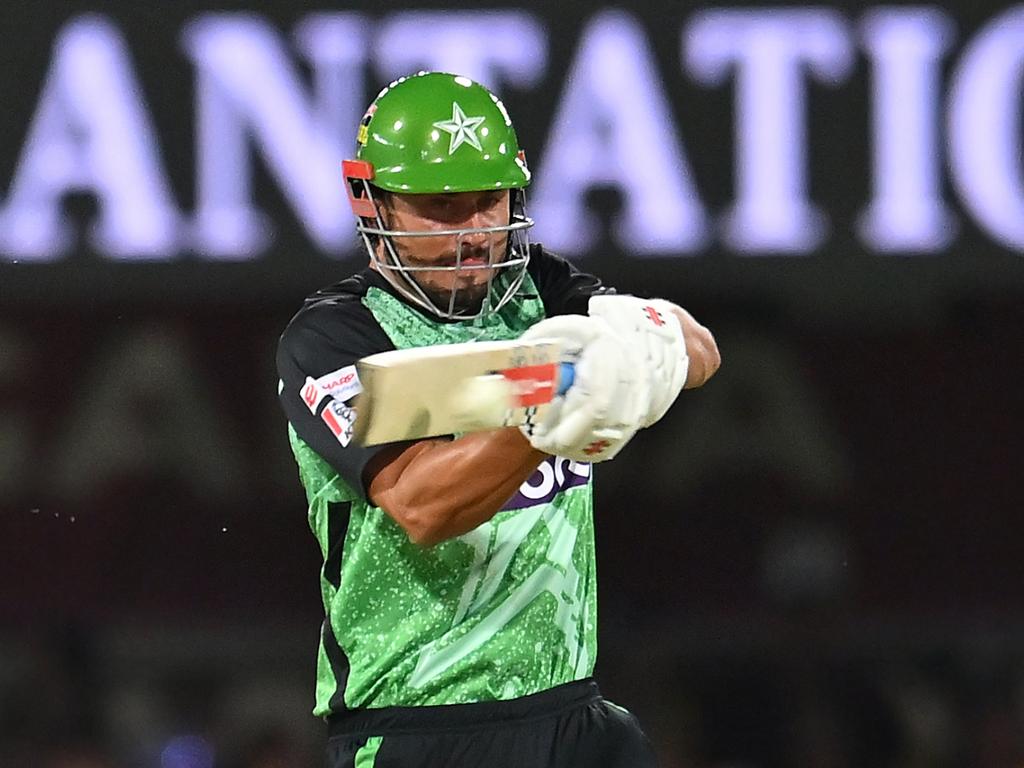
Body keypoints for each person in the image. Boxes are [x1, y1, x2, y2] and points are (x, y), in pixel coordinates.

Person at [276, 71, 720, 768]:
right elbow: (422, 504)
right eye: (442, 207)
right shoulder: (335, 337)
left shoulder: (541, 289)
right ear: (369, 198)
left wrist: (632, 346)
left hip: (575, 717)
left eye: (490, 201)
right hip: (419, 727)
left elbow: (699, 352)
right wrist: (555, 404)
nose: (476, 232)